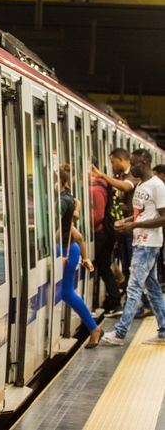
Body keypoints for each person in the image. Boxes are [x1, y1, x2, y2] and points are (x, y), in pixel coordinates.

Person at [102, 149, 165, 346]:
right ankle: (164, 330)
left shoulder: (157, 186)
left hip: (148, 244)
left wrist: (134, 226)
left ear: (144, 163)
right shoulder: (141, 185)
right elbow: (143, 214)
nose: (132, 168)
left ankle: (120, 334)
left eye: (135, 164)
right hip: (141, 242)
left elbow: (163, 217)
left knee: (134, 287)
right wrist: (127, 221)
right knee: (153, 290)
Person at [58, 169, 103, 348]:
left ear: (59, 182)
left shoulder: (62, 201)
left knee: (66, 293)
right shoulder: (69, 198)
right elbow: (77, 235)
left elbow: (70, 233)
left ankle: (94, 328)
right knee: (66, 292)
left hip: (66, 250)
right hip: (71, 249)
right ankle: (93, 328)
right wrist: (85, 258)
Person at [92, 148, 140, 288]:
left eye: (113, 162)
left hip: (132, 227)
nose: (112, 165)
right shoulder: (118, 175)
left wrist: (102, 175)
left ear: (120, 160)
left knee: (132, 264)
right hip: (122, 228)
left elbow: (125, 187)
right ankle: (129, 293)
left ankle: (139, 300)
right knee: (125, 263)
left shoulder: (133, 174)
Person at [91, 158, 122, 315]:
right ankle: (114, 301)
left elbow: (97, 216)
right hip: (107, 233)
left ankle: (113, 302)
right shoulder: (103, 184)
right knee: (104, 267)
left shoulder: (95, 188)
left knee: (100, 267)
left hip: (100, 234)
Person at [60, 164, 94, 273]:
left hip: (67, 234)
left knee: (78, 236)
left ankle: (85, 259)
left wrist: (75, 212)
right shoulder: (68, 195)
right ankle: (85, 259)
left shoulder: (65, 198)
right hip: (68, 232)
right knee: (78, 237)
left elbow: (75, 214)